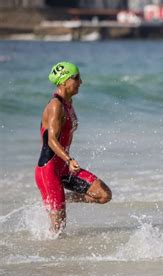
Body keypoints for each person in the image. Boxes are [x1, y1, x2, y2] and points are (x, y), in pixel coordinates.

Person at [35, 61, 112, 235]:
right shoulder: (55, 106)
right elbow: (51, 140)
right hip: (49, 170)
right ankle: (49, 259)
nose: (81, 82)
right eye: (76, 78)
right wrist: (68, 159)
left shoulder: (67, 103)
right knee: (57, 230)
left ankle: (61, 200)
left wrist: (66, 162)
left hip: (63, 168)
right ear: (64, 81)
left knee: (103, 194)